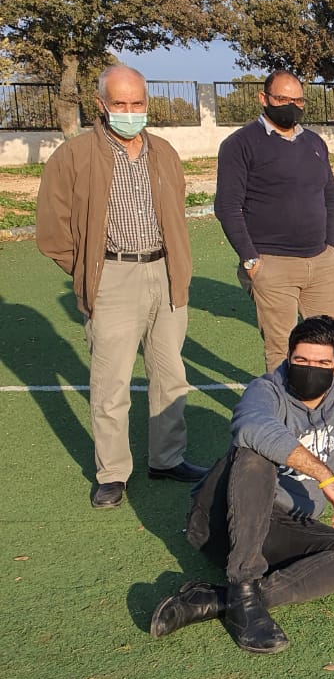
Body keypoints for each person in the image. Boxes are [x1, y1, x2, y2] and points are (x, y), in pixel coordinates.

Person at [150, 316, 334, 653]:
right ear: (288, 357)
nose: (312, 369)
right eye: (302, 361)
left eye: (323, 363)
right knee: (254, 453)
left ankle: (223, 599)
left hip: (283, 526)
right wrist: (326, 477)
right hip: (224, 519)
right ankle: (243, 583)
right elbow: (252, 428)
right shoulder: (265, 389)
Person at [35, 64, 206, 509]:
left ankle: (167, 458)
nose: (130, 112)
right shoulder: (73, 156)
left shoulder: (163, 152)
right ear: (101, 105)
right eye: (120, 104)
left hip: (164, 275)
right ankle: (112, 473)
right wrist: (91, 271)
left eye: (138, 104)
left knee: (170, 377)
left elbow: (176, 215)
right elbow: (52, 232)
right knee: (111, 384)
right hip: (112, 277)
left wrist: (178, 269)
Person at [214, 69, 334, 372]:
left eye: (298, 100)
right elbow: (228, 207)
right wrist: (251, 260)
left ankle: (331, 415)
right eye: (283, 98)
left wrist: (331, 248)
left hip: (320, 262)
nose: (291, 106)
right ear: (264, 98)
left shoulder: (314, 142)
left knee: (330, 346)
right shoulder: (240, 144)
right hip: (272, 264)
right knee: (282, 351)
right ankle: (284, 418)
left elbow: (330, 196)